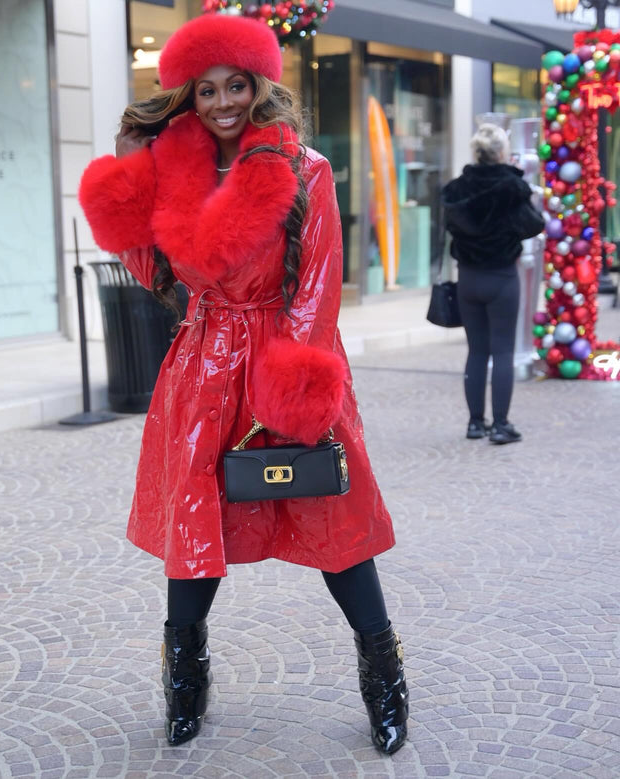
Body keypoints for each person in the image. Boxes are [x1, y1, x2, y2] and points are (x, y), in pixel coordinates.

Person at [78, 14, 408, 755]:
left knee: (337, 520)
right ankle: (185, 680)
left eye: (236, 85)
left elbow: (319, 285)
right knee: (194, 526)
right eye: (206, 90)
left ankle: (383, 673)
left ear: (261, 85)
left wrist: (294, 384)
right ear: (187, 98)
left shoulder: (306, 169)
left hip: (288, 355)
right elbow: (150, 271)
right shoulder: (177, 175)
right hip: (201, 366)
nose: (223, 102)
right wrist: (131, 173)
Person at [442, 124, 545, 445]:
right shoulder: (512, 187)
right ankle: (500, 425)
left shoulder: (457, 189)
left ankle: (475, 424)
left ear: (476, 152)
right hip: (502, 277)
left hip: (468, 279)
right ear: (502, 152)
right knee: (502, 351)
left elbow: (450, 226)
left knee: (476, 351)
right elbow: (534, 225)